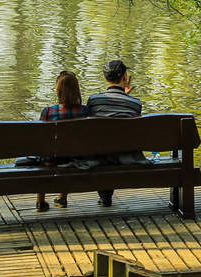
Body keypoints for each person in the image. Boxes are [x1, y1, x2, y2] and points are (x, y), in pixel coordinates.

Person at [87, 59, 142, 206]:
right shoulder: (135, 103)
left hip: (100, 156)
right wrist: (126, 96)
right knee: (115, 145)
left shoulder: (93, 101)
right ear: (125, 77)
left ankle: (105, 196)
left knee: (103, 146)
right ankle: (106, 197)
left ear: (105, 78)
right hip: (126, 155)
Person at [36, 70, 89, 212]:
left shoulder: (48, 112)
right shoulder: (85, 112)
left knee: (45, 154)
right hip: (75, 159)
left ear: (58, 90)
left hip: (50, 160)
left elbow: (40, 139)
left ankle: (40, 201)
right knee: (71, 151)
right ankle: (62, 197)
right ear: (77, 90)